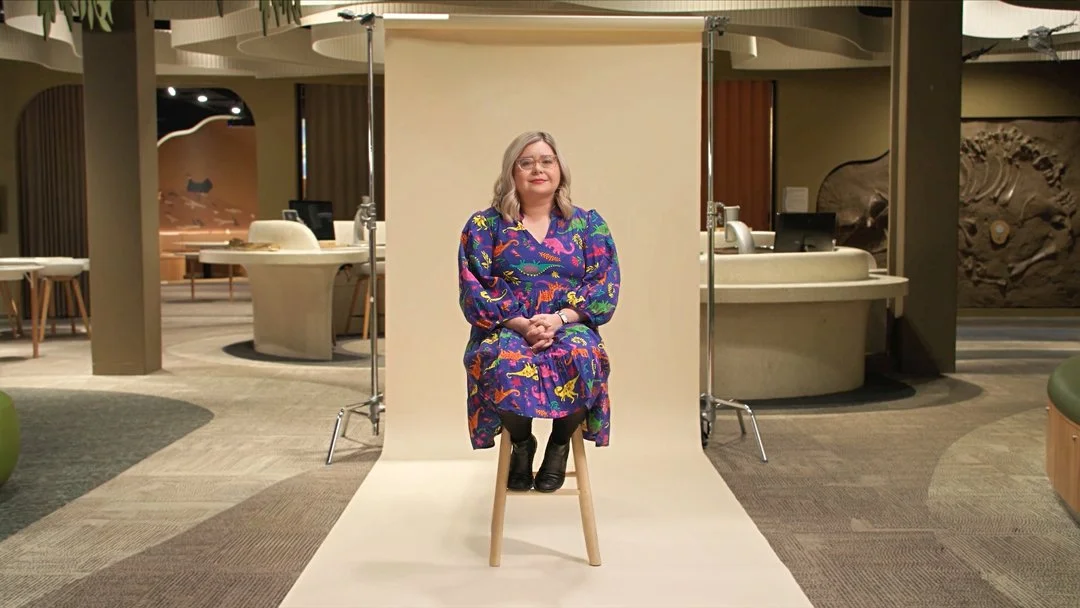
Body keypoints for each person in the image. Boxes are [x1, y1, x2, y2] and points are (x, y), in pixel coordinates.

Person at [458, 131, 620, 493]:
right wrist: (522, 324)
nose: (538, 169)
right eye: (526, 162)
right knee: (499, 360)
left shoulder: (588, 225)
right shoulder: (485, 226)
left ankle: (559, 444)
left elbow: (603, 284)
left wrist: (559, 319)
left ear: (560, 169)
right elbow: (474, 287)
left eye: (547, 161)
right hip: (507, 325)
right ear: (511, 172)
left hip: (567, 324)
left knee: (584, 355)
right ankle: (522, 442)